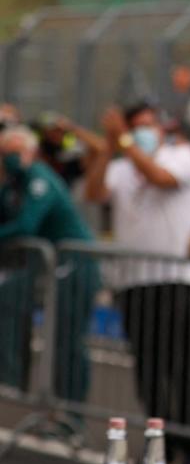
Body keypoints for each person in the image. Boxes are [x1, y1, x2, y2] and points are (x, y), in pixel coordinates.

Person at [83, 102, 190, 464]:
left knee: (180, 365)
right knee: (148, 370)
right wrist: (107, 148)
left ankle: (189, 441)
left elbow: (161, 178)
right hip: (133, 283)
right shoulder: (120, 165)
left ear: (161, 128)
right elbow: (93, 194)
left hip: (175, 279)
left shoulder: (180, 155)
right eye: (135, 127)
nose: (142, 133)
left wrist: (122, 140)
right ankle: (159, 445)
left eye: (147, 126)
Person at [0, 125, 100, 403]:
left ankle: (73, 415)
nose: (9, 158)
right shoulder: (14, 185)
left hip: (76, 264)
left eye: (15, 152)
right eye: (5, 153)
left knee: (69, 342)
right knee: (52, 339)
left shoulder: (39, 179)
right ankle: (48, 404)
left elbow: (26, 226)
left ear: (30, 152)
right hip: (55, 265)